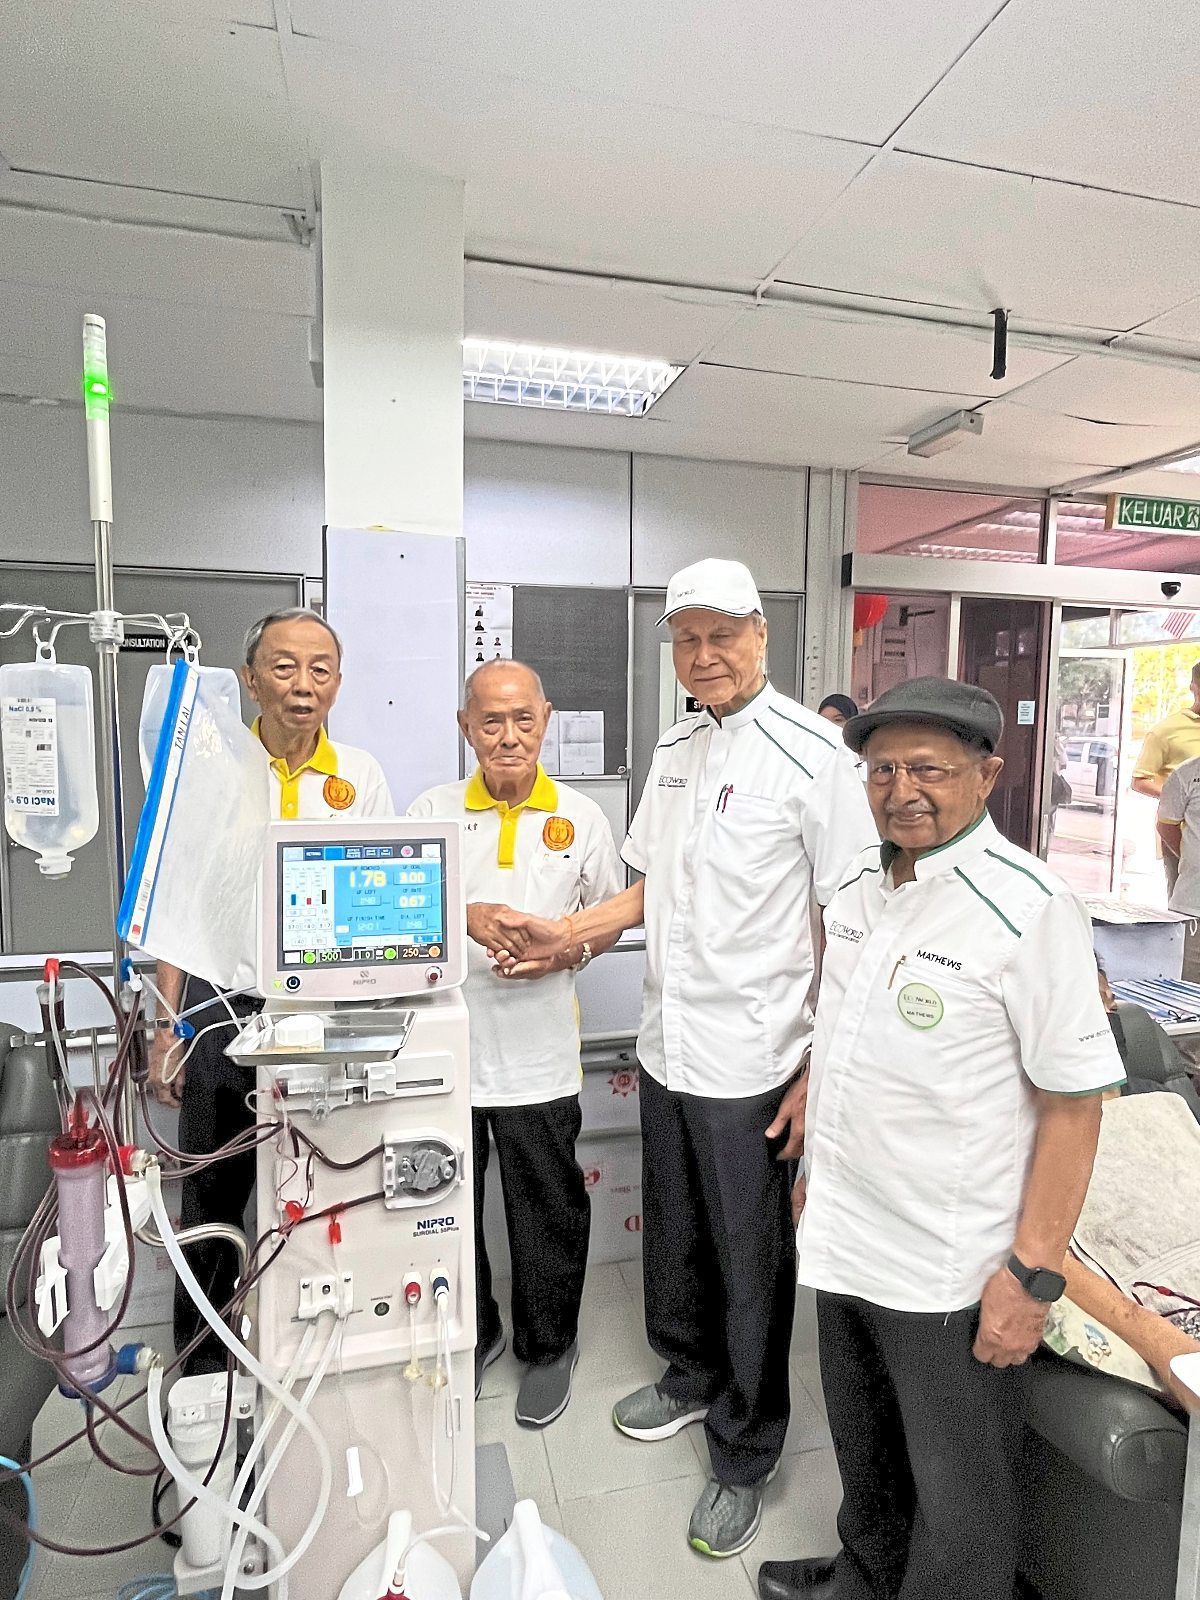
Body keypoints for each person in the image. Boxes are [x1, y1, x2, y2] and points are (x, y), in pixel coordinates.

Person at [486, 558, 876, 1556]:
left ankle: (745, 1448)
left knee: (752, 1262)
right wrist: (566, 935)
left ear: (759, 633)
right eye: (684, 639)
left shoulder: (816, 756)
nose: (702, 656)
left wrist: (819, 1065)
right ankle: (688, 1376)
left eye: (720, 635)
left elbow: (852, 923)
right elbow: (646, 888)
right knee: (677, 1236)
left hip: (757, 1056)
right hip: (669, 1046)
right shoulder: (676, 743)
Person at [757, 677, 1125, 1600]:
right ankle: (868, 1572)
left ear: (987, 775)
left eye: (928, 768)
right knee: (864, 1442)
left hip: (947, 1267)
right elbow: (843, 1039)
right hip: (845, 1235)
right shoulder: (854, 889)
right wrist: (819, 1171)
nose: (900, 789)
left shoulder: (1030, 907)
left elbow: (1075, 1105)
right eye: (880, 769)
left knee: (961, 1497)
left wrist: (1032, 1276)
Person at [147, 607, 393, 1372]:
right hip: (220, 1012)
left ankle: (315, 1359)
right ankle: (204, 1370)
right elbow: (176, 906)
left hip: (319, 1018)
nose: (303, 685)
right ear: (250, 680)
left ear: (339, 684)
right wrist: (166, 1027)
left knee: (316, 1198)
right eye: (284, 667)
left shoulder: (361, 778)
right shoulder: (211, 774)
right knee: (211, 1202)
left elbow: (378, 905)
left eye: (320, 669)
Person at [408, 661, 622, 1428]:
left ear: (546, 718)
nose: (508, 736)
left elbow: (606, 922)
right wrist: (462, 914)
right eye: (490, 721)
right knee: (444, 1212)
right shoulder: (430, 811)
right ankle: (475, 1330)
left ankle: (549, 1346)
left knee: (547, 1213)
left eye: (523, 719)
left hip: (539, 1061)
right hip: (442, 1060)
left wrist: (564, 951)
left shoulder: (582, 818)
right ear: (466, 725)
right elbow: (400, 918)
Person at [1133, 661, 1200, 891]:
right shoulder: (1166, 731)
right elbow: (1140, 780)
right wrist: (1182, 795)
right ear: (1193, 687)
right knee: (1186, 908)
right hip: (1180, 834)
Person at [1157, 753, 1200, 981]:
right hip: (1192, 912)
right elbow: (1166, 826)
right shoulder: (1187, 774)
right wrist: (1190, 859)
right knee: (1189, 1003)